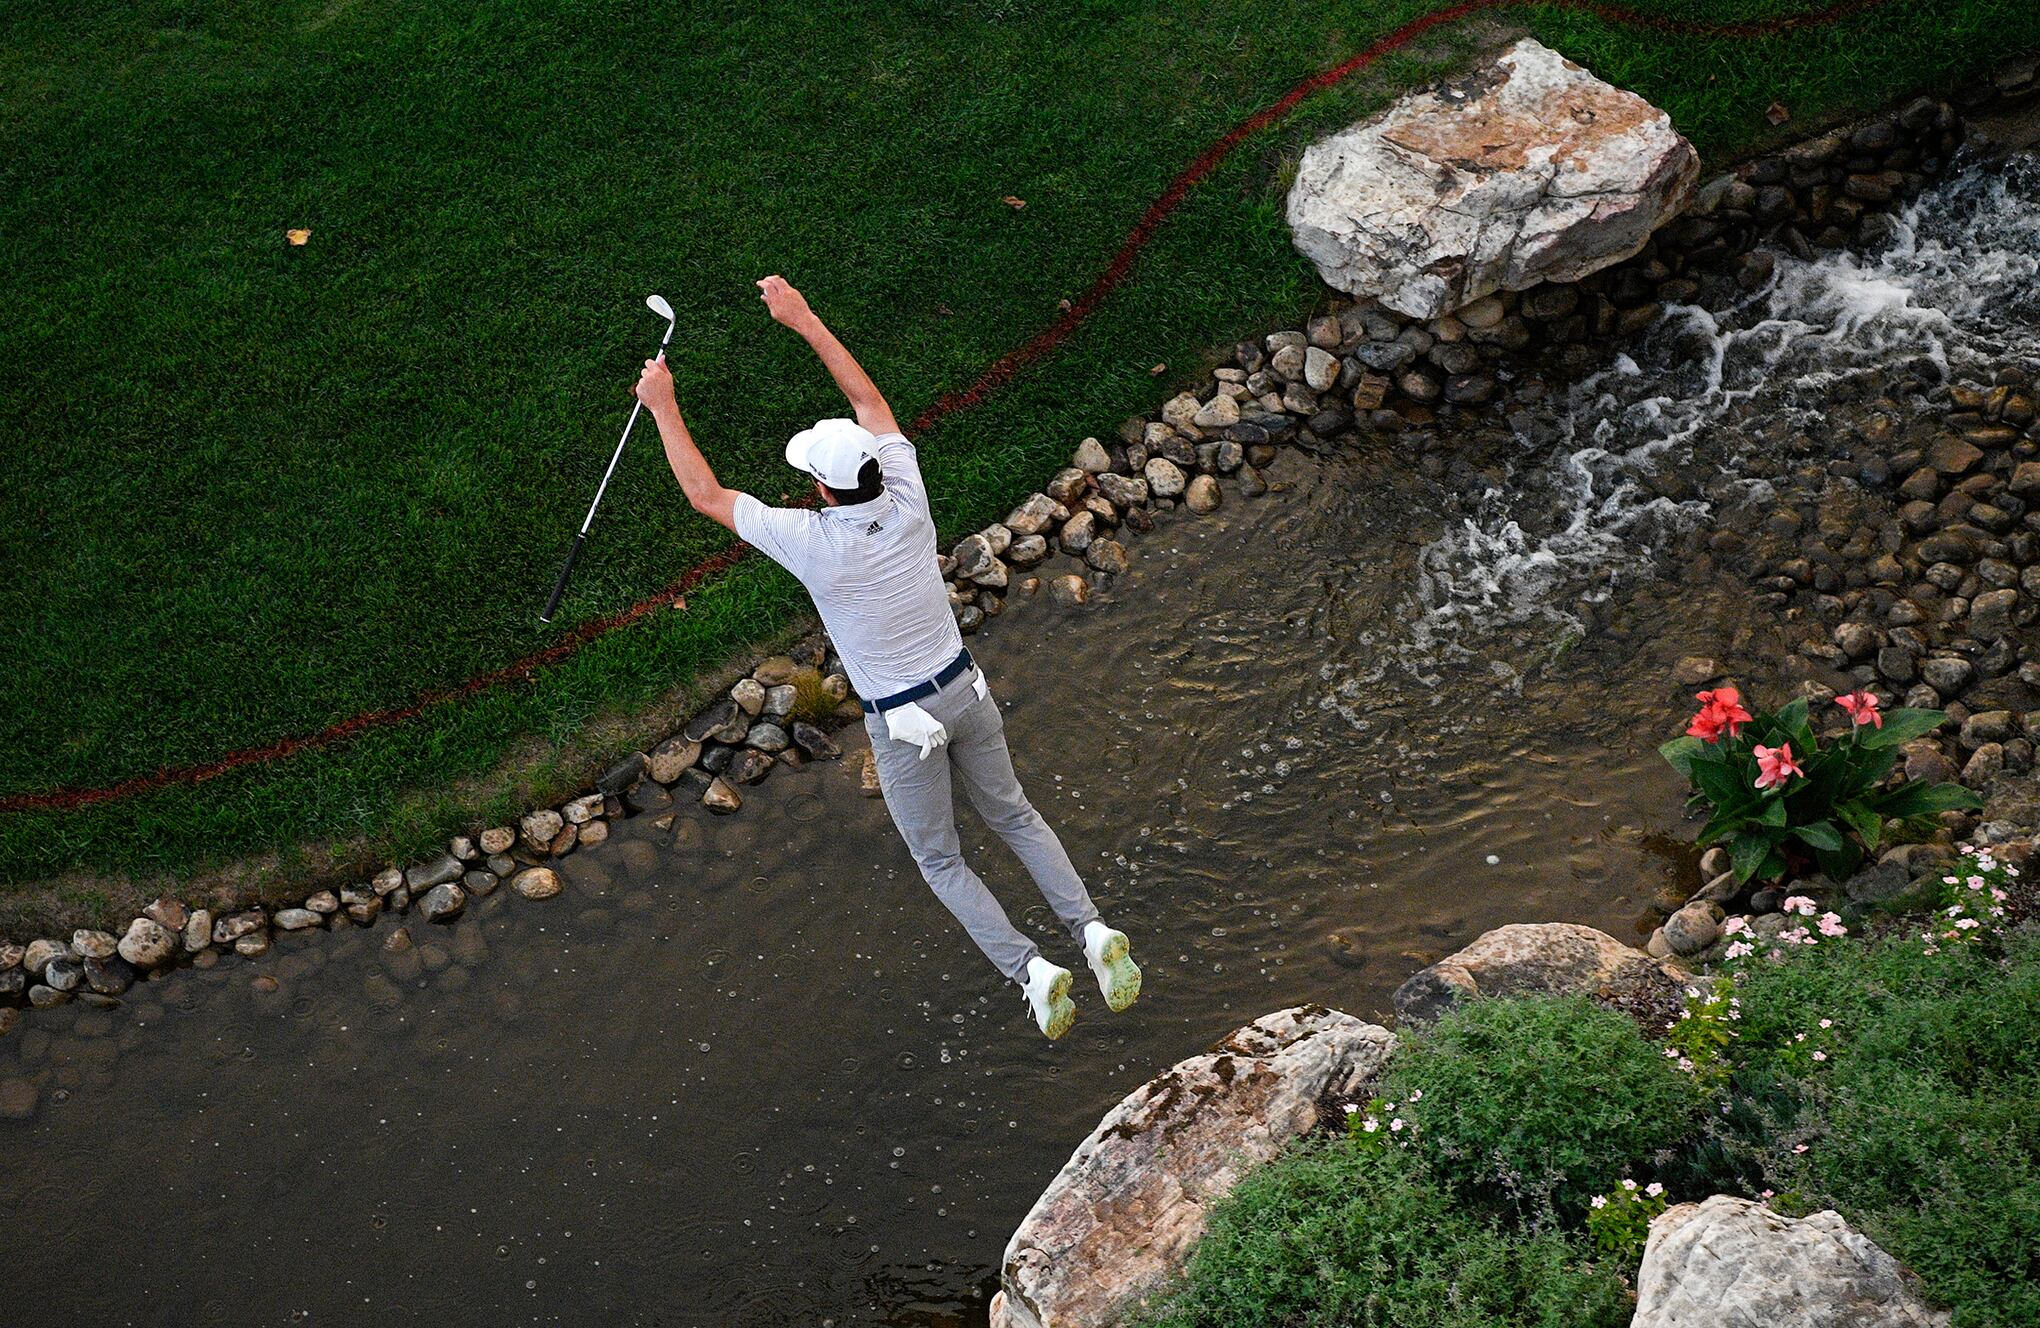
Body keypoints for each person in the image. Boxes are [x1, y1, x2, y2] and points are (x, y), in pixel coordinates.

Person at [631, 275, 1140, 1040]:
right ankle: (1093, 931)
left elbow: (707, 494)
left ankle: (1030, 972)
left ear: (825, 492)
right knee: (1016, 816)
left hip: (903, 725)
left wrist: (662, 406)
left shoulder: (811, 542)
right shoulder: (907, 492)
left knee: (941, 862)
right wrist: (804, 318)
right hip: (966, 693)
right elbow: (870, 403)